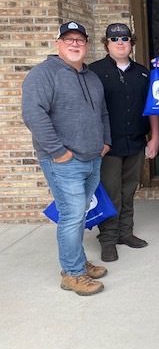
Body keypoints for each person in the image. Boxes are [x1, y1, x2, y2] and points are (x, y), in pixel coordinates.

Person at [22, 21, 111, 296]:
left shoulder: (91, 76)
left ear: (86, 45)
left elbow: (103, 113)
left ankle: (78, 263)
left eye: (80, 40)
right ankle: (72, 274)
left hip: (92, 157)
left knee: (79, 214)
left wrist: (105, 142)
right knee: (72, 215)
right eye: (69, 39)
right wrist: (59, 152)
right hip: (64, 162)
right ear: (58, 43)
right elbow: (34, 115)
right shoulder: (43, 74)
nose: (75, 44)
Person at [89, 23, 159, 262]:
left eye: (125, 39)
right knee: (110, 193)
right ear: (106, 43)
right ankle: (108, 239)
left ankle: (125, 232)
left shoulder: (142, 72)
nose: (120, 43)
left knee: (129, 190)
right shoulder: (94, 72)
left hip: (136, 142)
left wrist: (154, 138)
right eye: (115, 39)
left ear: (131, 43)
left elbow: (152, 109)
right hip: (108, 146)